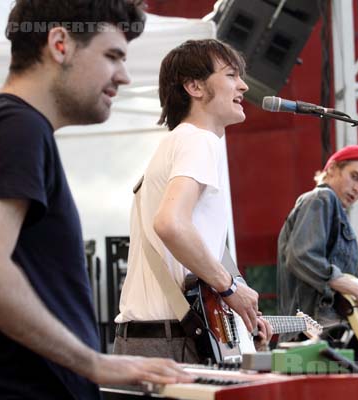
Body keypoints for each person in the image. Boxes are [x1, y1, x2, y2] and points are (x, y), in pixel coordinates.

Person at [0, 1, 192, 399]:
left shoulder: (6, 124)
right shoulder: (15, 127)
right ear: (60, 44)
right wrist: (94, 363)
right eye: (112, 56)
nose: (122, 76)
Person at [113, 39, 272, 362]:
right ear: (194, 86)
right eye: (230, 75)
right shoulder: (199, 140)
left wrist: (238, 312)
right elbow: (170, 223)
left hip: (150, 339)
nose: (242, 85)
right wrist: (230, 289)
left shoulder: (176, 142)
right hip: (173, 342)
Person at [276, 143, 358, 371]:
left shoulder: (336, 215)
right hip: (318, 340)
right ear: (333, 169)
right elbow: (301, 257)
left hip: (336, 339)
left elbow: (350, 299)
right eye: (355, 177)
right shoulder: (321, 199)